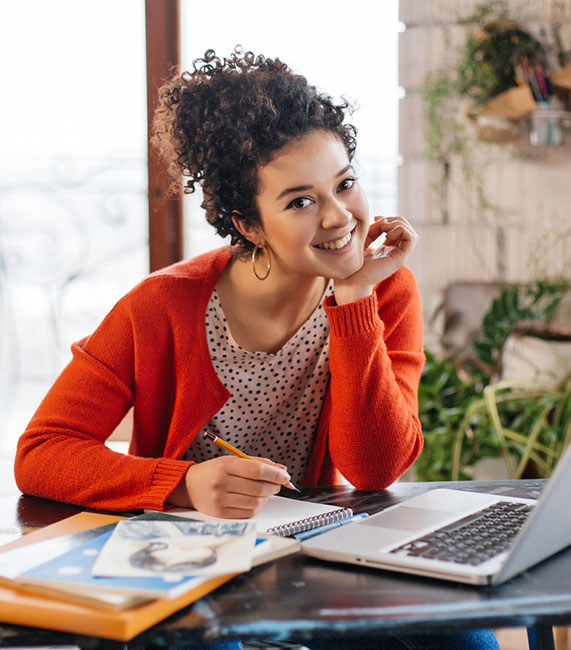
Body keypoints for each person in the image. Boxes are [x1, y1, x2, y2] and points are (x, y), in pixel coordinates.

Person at [14, 48, 499, 650]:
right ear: (248, 225)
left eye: (344, 183)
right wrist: (185, 485)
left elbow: (375, 467)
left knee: (467, 637)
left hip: (313, 556)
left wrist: (352, 301)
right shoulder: (160, 307)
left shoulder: (383, 291)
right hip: (187, 563)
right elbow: (43, 452)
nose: (338, 216)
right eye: (300, 201)